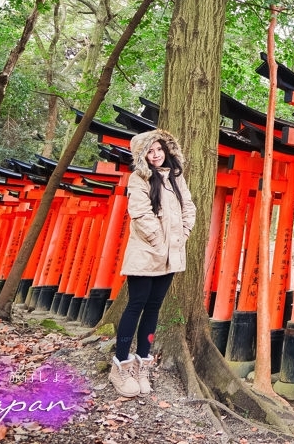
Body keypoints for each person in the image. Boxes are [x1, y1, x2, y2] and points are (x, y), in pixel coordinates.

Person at [109, 129, 196, 397]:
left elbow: (188, 207)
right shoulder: (138, 179)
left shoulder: (175, 177)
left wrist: (182, 235)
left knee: (154, 308)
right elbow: (140, 213)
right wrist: (159, 242)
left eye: (159, 149)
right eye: (150, 151)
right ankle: (120, 366)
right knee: (136, 305)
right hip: (146, 253)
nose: (156, 154)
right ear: (142, 155)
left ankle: (142, 364)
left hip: (171, 255)